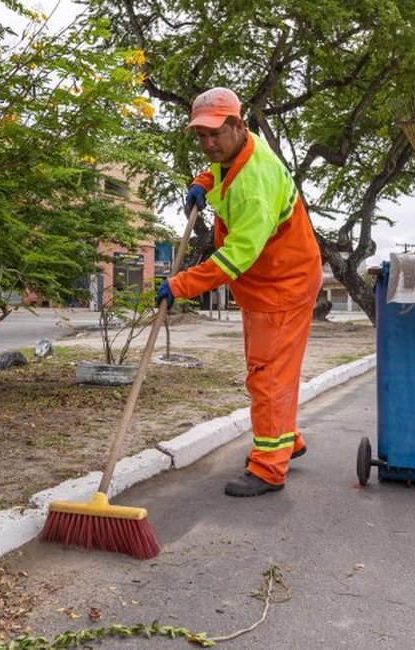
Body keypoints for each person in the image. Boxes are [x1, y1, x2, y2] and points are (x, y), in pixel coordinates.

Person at [156, 87, 323, 497]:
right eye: (201, 136)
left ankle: (268, 468)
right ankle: (286, 439)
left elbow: (235, 259)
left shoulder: (255, 184)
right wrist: (201, 181)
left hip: (282, 286)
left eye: (215, 134)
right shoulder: (238, 153)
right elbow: (220, 170)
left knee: (268, 377)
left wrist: (182, 285)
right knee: (266, 369)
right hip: (265, 286)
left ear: (237, 125)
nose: (208, 144)